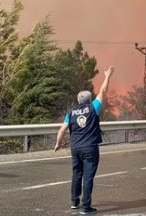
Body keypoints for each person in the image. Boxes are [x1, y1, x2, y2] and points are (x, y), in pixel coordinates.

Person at [55, 66, 114, 215]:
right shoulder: (93, 108)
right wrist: (107, 76)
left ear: (78, 100)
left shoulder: (71, 112)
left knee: (76, 174)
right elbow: (103, 91)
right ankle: (86, 207)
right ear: (89, 99)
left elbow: (62, 129)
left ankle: (75, 202)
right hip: (90, 148)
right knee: (88, 177)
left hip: (75, 148)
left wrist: (58, 143)